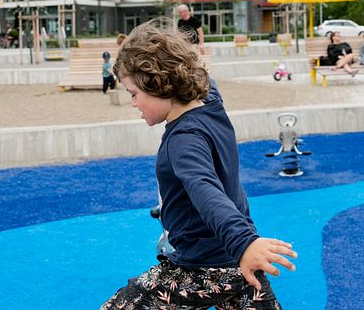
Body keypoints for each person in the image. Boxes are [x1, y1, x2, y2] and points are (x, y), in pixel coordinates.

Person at [102, 22, 297, 309]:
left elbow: (206, 192)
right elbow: (196, 72)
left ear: (158, 84)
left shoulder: (184, 140)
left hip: (204, 268)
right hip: (237, 265)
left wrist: (243, 243)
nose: (133, 103)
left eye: (134, 93)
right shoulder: (211, 105)